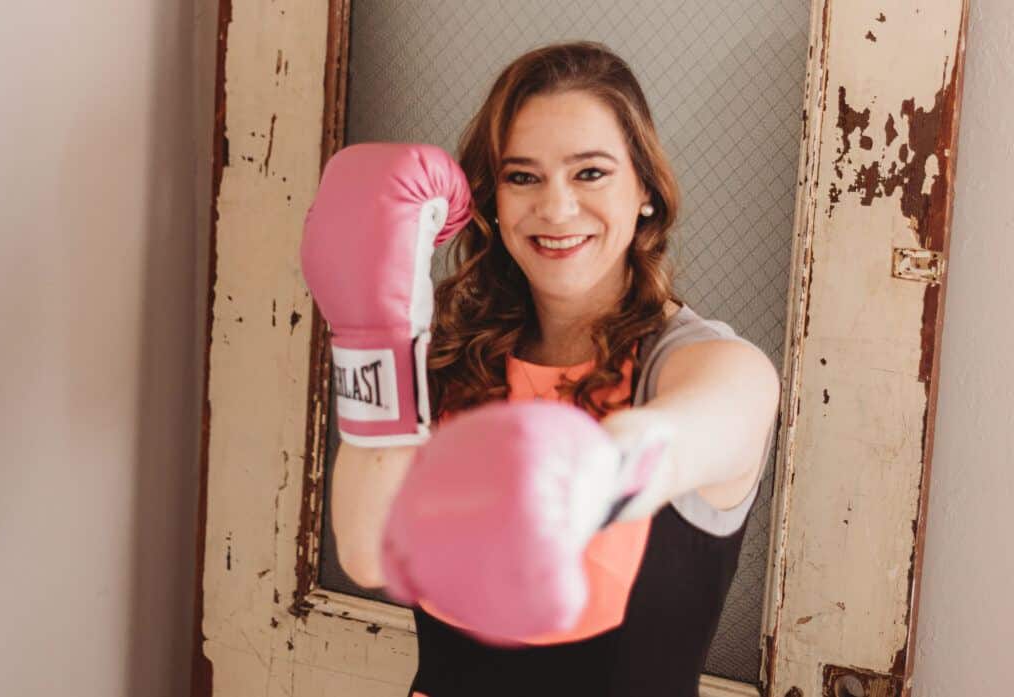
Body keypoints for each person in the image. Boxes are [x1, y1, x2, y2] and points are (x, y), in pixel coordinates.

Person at [301, 41, 780, 697]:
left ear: (644, 186)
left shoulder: (710, 363)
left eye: (590, 173)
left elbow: (698, 429)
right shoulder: (449, 353)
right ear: (492, 199)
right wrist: (374, 336)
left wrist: (588, 473)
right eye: (523, 176)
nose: (556, 208)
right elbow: (364, 549)